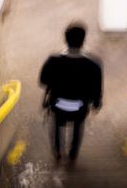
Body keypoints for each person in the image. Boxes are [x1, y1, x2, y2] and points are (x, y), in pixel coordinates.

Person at [39, 22, 103, 160]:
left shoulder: (53, 61)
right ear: (83, 41)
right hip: (79, 107)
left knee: (56, 125)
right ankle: (73, 153)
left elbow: (42, 81)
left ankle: (57, 150)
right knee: (78, 127)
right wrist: (96, 105)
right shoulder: (93, 65)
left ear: (65, 40)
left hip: (57, 105)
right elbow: (97, 89)